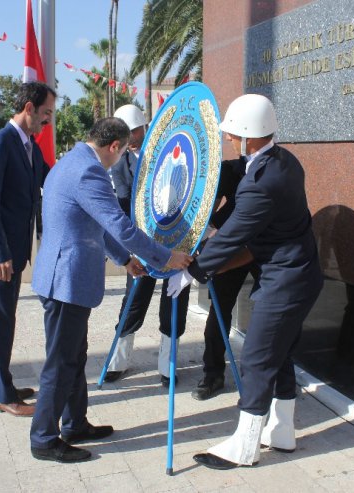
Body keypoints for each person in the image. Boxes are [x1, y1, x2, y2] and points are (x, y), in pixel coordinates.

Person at [167, 94, 323, 470]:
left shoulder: (261, 181)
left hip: (287, 279)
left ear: (250, 137)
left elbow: (233, 236)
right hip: (295, 273)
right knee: (280, 352)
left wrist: (192, 272)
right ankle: (282, 431)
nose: (230, 140)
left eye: (234, 134)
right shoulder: (283, 161)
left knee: (256, 356)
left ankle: (245, 445)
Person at [29, 117, 192, 464]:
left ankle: (74, 424)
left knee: (74, 356)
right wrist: (165, 257)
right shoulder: (90, 173)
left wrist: (124, 260)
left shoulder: (71, 161)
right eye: (123, 151)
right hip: (65, 281)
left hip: (63, 277)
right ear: (115, 146)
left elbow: (94, 225)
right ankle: (44, 438)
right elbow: (119, 225)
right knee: (61, 361)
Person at [0, 81, 55, 417]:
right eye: (46, 113)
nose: (48, 121)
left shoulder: (28, 145)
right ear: (30, 108)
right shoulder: (0, 143)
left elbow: (51, 179)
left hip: (12, 254)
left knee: (1, 322)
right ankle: (4, 396)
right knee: (0, 323)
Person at [104, 104, 192, 386]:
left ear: (144, 128)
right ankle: (118, 360)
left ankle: (167, 366)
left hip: (176, 243)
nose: (129, 137)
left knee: (174, 303)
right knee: (133, 302)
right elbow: (123, 204)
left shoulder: (167, 152)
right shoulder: (120, 164)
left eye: (132, 131)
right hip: (142, 244)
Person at [191, 157, 252, 401]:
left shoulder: (275, 169)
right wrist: (210, 229)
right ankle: (213, 374)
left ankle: (271, 377)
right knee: (218, 311)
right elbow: (208, 207)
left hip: (265, 247)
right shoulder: (230, 169)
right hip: (231, 247)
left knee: (270, 316)